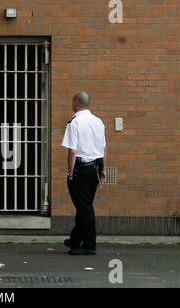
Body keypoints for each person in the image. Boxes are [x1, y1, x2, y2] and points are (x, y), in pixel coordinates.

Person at [61, 91, 107, 255]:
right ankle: (75, 240)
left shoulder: (74, 123)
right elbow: (103, 148)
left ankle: (89, 245)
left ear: (75, 102)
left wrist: (71, 173)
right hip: (95, 166)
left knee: (85, 207)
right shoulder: (98, 122)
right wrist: (103, 169)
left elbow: (72, 151)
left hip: (80, 169)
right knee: (84, 205)